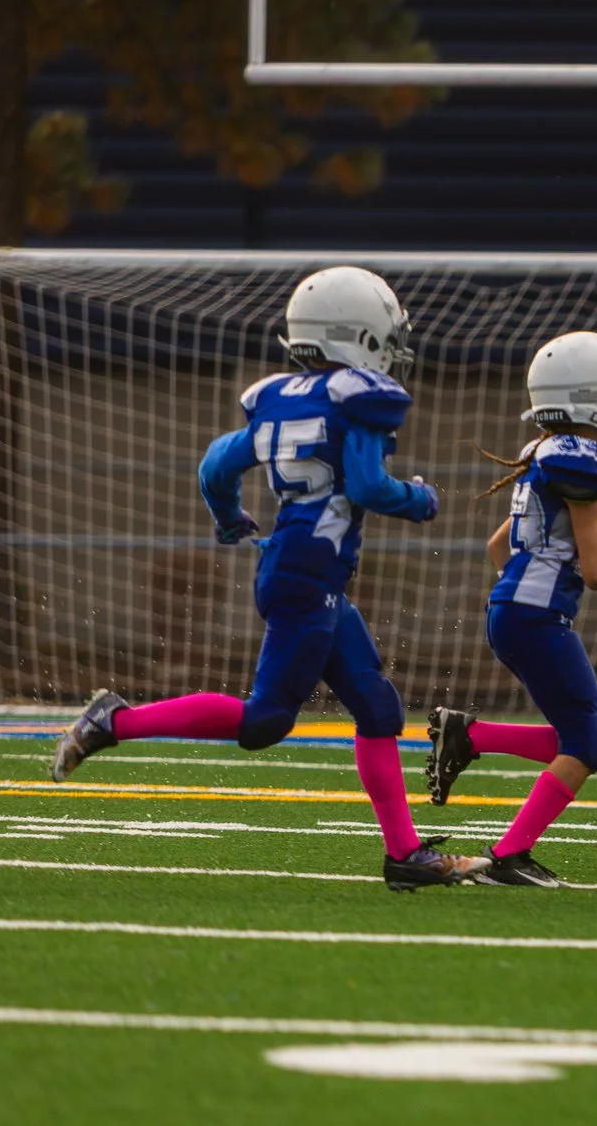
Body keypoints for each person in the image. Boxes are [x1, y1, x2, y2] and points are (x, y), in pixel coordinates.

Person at [47, 266, 474, 891]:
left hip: (303, 570)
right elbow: (366, 485)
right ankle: (114, 721)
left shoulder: (280, 399)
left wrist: (229, 520)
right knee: (264, 721)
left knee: (376, 705)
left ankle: (404, 855)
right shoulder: (356, 400)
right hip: (307, 578)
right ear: (357, 336)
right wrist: (419, 499)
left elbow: (216, 465)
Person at [423, 331, 597, 887]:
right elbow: (596, 572)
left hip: (520, 611)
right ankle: (507, 856)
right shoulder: (583, 459)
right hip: (534, 618)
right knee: (588, 743)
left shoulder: (549, 451)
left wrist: (528, 592)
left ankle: (470, 737)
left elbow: (501, 547)